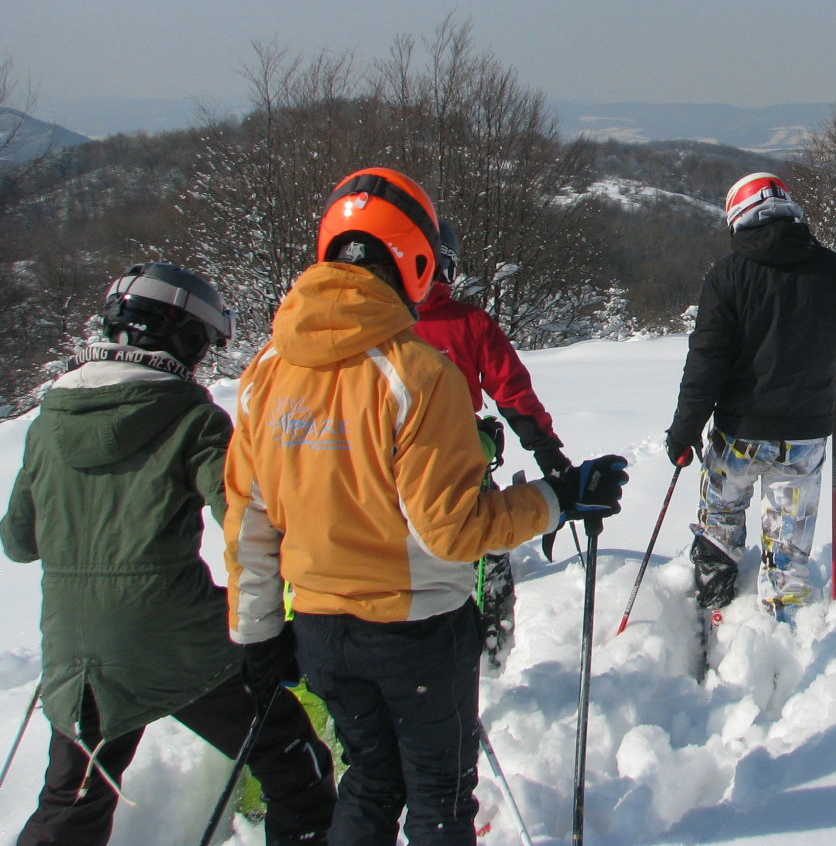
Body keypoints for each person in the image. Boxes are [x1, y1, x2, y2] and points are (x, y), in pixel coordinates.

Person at [223, 167, 627, 846]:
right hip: (413, 633)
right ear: (413, 259)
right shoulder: (417, 374)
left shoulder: (265, 372)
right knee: (439, 799)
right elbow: (453, 530)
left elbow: (248, 523)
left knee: (370, 782)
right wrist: (557, 496)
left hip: (319, 629)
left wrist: (257, 635)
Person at [1, 263, 336, 846]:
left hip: (76, 651)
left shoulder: (48, 422)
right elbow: (248, 528)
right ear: (178, 336)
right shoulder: (192, 416)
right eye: (201, 344)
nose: (200, 361)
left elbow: (19, 542)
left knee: (71, 804)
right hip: (181, 645)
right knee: (293, 764)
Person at [665, 172, 836, 625]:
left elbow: (706, 363)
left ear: (738, 217)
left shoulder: (727, 275)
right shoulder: (832, 268)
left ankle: (714, 594)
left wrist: (684, 432)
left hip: (737, 433)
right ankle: (784, 625)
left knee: (722, 516)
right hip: (804, 437)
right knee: (788, 539)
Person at [413, 221, 573, 672]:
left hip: (380, 479)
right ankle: (490, 658)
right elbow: (512, 392)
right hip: (462, 468)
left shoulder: (370, 326)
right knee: (486, 557)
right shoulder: (468, 323)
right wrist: (547, 451)